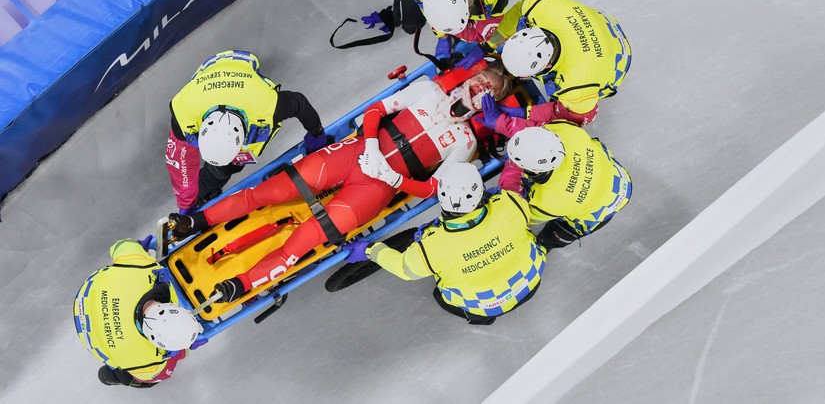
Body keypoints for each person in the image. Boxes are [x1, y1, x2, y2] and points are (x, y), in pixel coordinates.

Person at [169, 61, 516, 303]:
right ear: (471, 77)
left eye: (491, 90)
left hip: (377, 189)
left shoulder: (466, 143)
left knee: (305, 241)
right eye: (484, 78)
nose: (483, 86)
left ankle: (238, 285)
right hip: (356, 153)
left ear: (491, 103)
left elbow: (433, 189)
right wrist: (368, 145)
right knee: (269, 192)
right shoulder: (428, 91)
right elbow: (376, 111)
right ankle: (193, 221)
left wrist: (394, 178)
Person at [344, 162, 546, 324]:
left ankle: (478, 316)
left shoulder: (432, 247)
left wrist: (370, 249)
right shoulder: (510, 205)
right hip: (531, 282)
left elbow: (403, 269)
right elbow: (514, 194)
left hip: (483, 306)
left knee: (439, 295)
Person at [165, 50, 328, 213]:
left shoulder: (266, 105)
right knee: (221, 168)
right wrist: (187, 203)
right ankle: (211, 180)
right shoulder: (183, 112)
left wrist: (317, 132)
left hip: (244, 71)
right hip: (205, 83)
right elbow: (181, 161)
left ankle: (218, 174)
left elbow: (299, 103)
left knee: (232, 165)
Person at [472, 0, 632, 136]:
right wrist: (488, 44)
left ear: (547, 67)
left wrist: (526, 114)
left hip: (617, 57)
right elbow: (517, 13)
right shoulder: (538, 6)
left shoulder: (577, 86)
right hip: (599, 23)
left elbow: (575, 119)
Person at [73, 238, 203, 388]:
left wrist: (181, 352)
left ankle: (115, 376)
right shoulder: (145, 361)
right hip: (87, 310)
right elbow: (119, 247)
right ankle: (115, 375)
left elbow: (120, 245)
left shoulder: (141, 269)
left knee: (150, 379)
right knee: (142, 377)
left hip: (88, 298)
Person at [499, 122, 632, 250]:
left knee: (554, 236)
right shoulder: (566, 131)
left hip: (601, 209)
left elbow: (519, 215)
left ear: (535, 170)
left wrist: (511, 174)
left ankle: (543, 246)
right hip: (620, 180)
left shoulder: (547, 201)